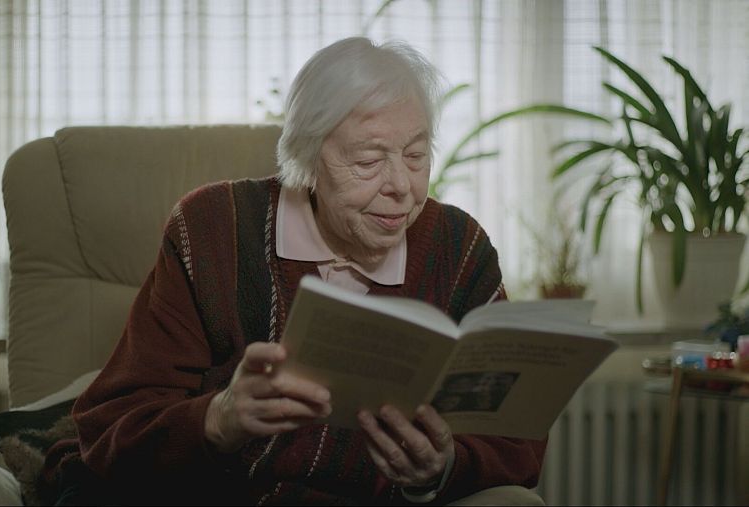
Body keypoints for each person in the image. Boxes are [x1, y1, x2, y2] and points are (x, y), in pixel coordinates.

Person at [41, 37, 546, 505]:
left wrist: (445, 465)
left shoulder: (458, 249)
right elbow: (111, 425)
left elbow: (515, 435)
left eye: (416, 156)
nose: (402, 186)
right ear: (307, 155)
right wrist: (218, 419)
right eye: (369, 161)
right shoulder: (212, 228)